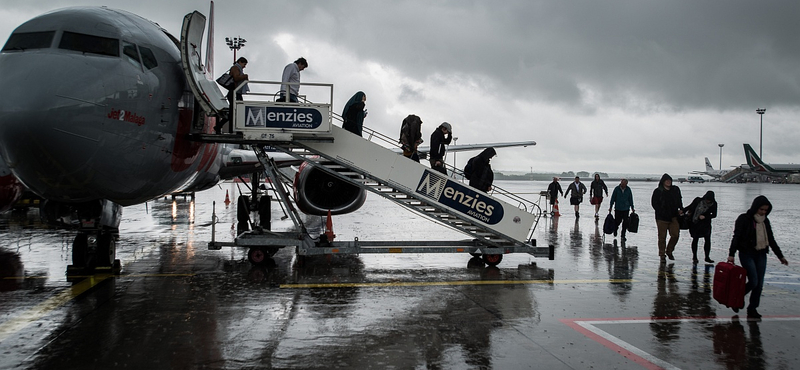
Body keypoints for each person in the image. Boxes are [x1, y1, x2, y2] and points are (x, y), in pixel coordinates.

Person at [727, 195, 788, 319]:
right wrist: (731, 254)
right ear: (755, 207)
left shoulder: (765, 221)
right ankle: (737, 298)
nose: (763, 212)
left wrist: (780, 256)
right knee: (753, 281)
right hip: (746, 253)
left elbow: (770, 239)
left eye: (766, 210)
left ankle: (752, 308)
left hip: (761, 253)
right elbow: (736, 236)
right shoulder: (744, 219)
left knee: (759, 284)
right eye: (761, 209)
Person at [651, 173, 683, 262]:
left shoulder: (675, 190)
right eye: (667, 180)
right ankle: (662, 254)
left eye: (670, 180)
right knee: (662, 237)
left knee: (675, 235)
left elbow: (679, 200)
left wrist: (681, 209)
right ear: (663, 181)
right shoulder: (658, 191)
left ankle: (669, 250)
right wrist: (661, 211)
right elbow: (654, 203)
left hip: (673, 216)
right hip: (661, 218)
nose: (669, 182)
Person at [217, 57, 249, 134]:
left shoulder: (237, 68)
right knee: (235, 111)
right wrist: (245, 76)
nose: (244, 66)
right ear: (240, 62)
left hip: (236, 92)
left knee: (235, 111)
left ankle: (219, 126)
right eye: (244, 64)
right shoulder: (235, 68)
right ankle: (230, 129)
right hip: (234, 92)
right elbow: (236, 78)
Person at [684, 191, 717, 264]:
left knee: (707, 240)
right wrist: (683, 210)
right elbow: (690, 206)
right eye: (707, 199)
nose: (708, 201)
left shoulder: (714, 204)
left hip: (706, 224)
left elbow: (714, 215)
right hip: (695, 223)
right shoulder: (698, 200)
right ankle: (694, 256)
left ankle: (707, 257)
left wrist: (705, 216)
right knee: (695, 239)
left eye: (709, 200)